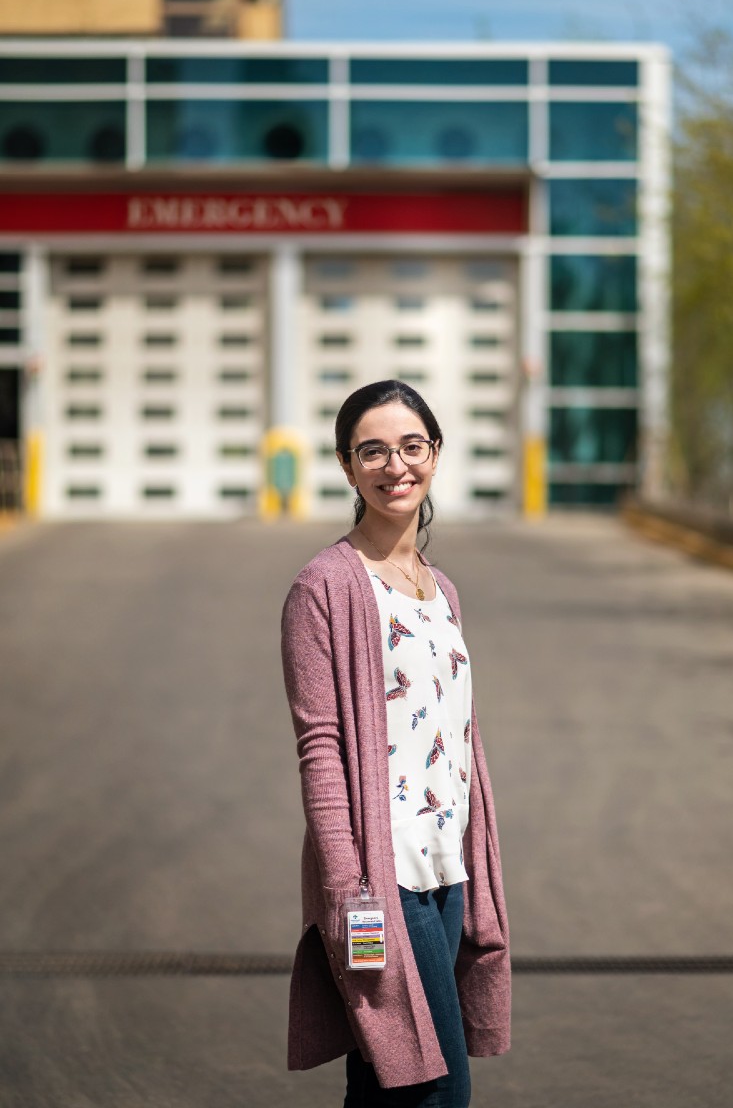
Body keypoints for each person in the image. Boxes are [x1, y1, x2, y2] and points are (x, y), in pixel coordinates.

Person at [281, 380, 511, 1108]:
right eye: (372, 450)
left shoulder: (441, 590)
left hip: (447, 873)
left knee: (387, 1084)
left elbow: (455, 735)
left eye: (411, 446)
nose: (395, 465)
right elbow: (320, 750)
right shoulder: (323, 588)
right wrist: (350, 895)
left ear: (435, 455)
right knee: (436, 1088)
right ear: (348, 468)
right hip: (384, 883)